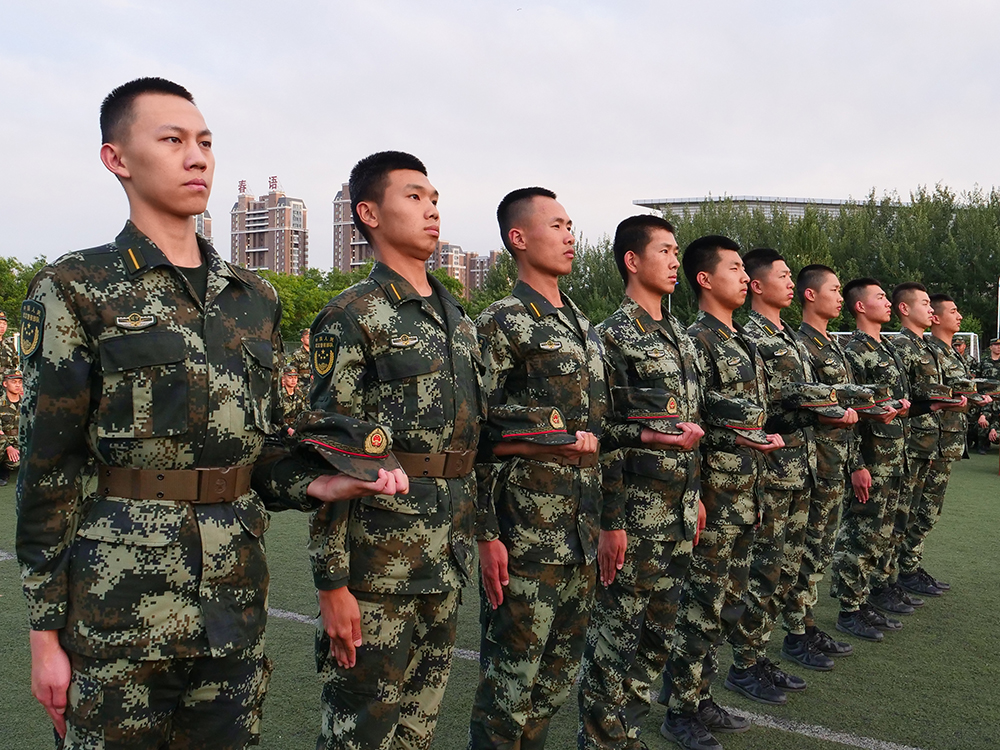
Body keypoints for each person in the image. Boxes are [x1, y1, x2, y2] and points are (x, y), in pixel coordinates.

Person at [15, 77, 364, 750]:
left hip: (234, 604)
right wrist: (44, 632)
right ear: (117, 158)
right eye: (172, 140)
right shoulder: (76, 287)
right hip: (117, 611)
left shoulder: (253, 297)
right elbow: (47, 466)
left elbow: (259, 448)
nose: (197, 157)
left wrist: (315, 481)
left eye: (205, 141)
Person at [308, 150, 481, 750]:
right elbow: (331, 453)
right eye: (414, 197)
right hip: (379, 565)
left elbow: (468, 449)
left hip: (447, 555)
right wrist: (332, 584)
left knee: (417, 729)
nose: (431, 209)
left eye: (434, 199)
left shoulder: (457, 318)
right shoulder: (352, 315)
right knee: (362, 728)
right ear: (369, 213)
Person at [469, 187, 612, 750]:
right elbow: (476, 434)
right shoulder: (501, 322)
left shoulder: (582, 324)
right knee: (510, 688)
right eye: (556, 226)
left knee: (552, 684)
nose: (570, 236)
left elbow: (597, 434)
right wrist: (486, 534)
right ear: (519, 238)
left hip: (580, 535)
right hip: (525, 535)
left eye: (571, 225)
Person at [578, 215, 706, 750]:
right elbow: (601, 434)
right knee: (615, 642)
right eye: (665, 251)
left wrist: (695, 496)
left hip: (677, 514)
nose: (676, 262)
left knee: (657, 638)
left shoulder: (680, 336)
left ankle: (626, 735)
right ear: (632, 261)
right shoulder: (611, 337)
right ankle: (601, 741)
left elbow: (690, 426)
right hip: (634, 517)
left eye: (677, 252)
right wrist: (611, 522)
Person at [659, 236, 783, 750]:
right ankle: (680, 710)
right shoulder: (697, 341)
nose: (745, 277)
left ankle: (701, 694)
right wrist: (699, 494)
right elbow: (694, 422)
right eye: (734, 268)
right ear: (705, 279)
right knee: (700, 606)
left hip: (747, 493)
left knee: (726, 603)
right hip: (715, 496)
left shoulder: (742, 341)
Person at [725, 249, 857, 699]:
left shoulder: (789, 338)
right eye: (781, 276)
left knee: (787, 570)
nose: (789, 283)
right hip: (770, 473)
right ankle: (745, 663)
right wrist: (826, 406)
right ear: (758, 286)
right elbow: (767, 407)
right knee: (763, 572)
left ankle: (762, 653)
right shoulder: (751, 337)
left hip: (802, 467)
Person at [830, 279, 911, 642]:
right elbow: (851, 412)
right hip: (871, 457)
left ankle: (864, 599)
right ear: (860, 306)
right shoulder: (854, 351)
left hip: (893, 455)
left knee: (880, 533)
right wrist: (857, 464)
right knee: (860, 534)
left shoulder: (886, 347)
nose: (887, 302)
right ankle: (849, 609)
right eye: (879, 297)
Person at [789, 265, 861, 656]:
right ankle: (798, 631)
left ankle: (808, 624)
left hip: (837, 461)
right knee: (807, 548)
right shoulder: (801, 345)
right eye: (833, 289)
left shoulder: (833, 344)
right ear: (810, 295)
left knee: (820, 549)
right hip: (815, 463)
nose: (839, 296)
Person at [885, 283, 963, 599]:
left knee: (921, 512)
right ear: (904, 308)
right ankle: (891, 577)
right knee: (904, 514)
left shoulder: (926, 347)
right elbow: (907, 397)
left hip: (934, 440)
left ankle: (907, 569)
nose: (931, 310)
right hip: (914, 441)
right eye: (925, 303)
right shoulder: (903, 346)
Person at [897, 294, 975, 593]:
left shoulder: (947, 352)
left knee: (927, 511)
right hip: (924, 440)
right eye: (953, 311)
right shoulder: (921, 349)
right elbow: (923, 395)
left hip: (943, 441)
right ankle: (903, 571)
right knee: (913, 511)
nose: (959, 316)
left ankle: (910, 567)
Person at [0, 368, 22, 485]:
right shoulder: (1, 404)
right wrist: (9, 447)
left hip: (19, 442)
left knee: (16, 462)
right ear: (5, 384)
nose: (17, 385)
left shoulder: (27, 404)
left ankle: (5, 467)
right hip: (3, 443)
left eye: (20, 382)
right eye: (13, 382)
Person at [278, 365, 308, 429]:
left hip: (296, 427)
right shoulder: (279, 394)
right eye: (290, 378)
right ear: (283, 379)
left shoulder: (300, 394)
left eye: (295, 377)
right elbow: (277, 416)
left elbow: (303, 412)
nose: (293, 380)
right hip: (281, 428)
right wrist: (287, 428)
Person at [287, 328, 312, 393]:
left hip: (314, 384)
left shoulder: (316, 352)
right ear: (302, 339)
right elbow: (293, 370)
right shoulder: (297, 354)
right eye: (308, 338)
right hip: (302, 384)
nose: (310, 340)